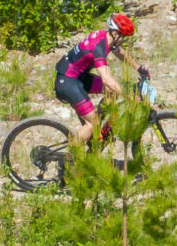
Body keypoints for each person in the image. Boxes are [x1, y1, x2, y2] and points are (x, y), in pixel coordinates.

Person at [57, 13, 137, 148]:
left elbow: (119, 52)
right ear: (115, 34)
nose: (123, 40)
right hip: (68, 81)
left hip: (79, 77)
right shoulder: (98, 48)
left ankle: (96, 130)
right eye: (123, 37)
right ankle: (70, 156)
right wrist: (128, 96)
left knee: (113, 92)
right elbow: (106, 79)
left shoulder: (106, 38)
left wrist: (139, 68)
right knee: (92, 124)